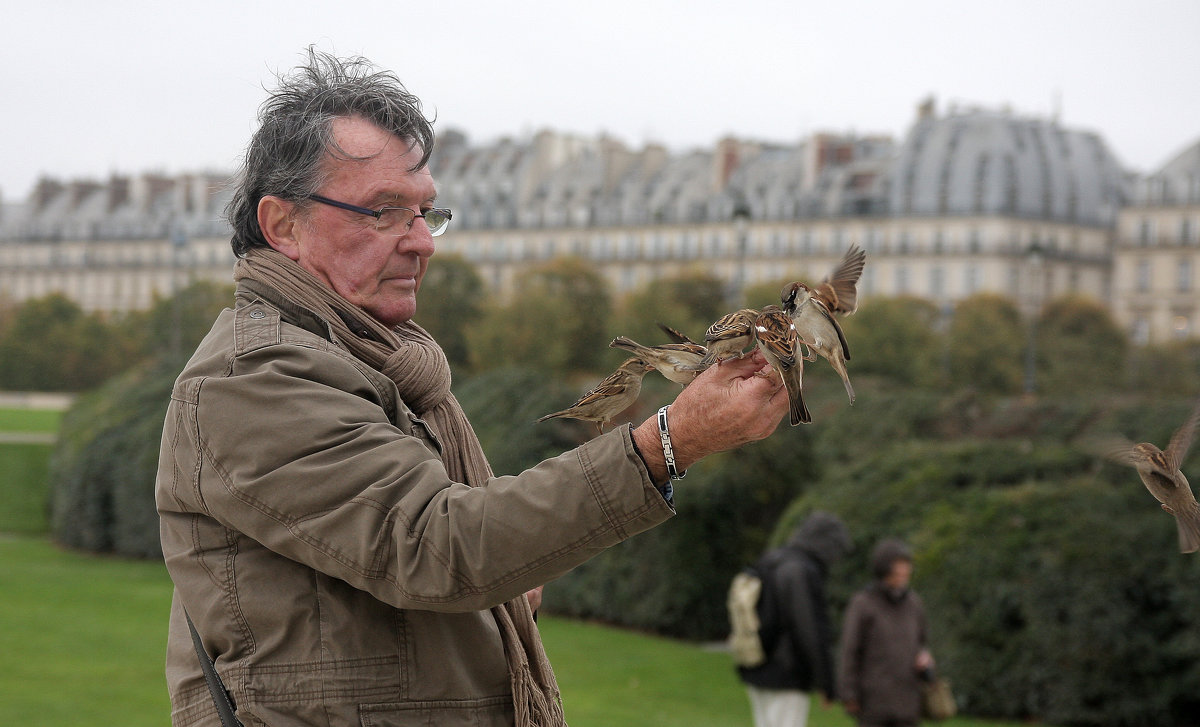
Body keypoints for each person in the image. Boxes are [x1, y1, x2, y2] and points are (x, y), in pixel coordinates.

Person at [154, 48, 790, 727]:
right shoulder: (254, 376)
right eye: (384, 212)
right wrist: (669, 440)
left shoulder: (381, 361)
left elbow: (421, 559)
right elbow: (438, 546)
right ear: (283, 225)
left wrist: (507, 579)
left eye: (427, 212)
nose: (422, 242)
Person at [736, 511, 853, 727]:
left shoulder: (772, 559)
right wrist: (827, 683)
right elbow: (809, 630)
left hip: (757, 666)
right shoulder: (801, 570)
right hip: (787, 673)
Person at [837, 538, 935, 727]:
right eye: (898, 566)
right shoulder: (863, 604)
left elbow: (922, 643)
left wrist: (926, 661)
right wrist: (848, 693)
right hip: (873, 704)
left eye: (906, 566)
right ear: (883, 568)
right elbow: (850, 650)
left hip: (909, 703)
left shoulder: (914, 603)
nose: (903, 572)